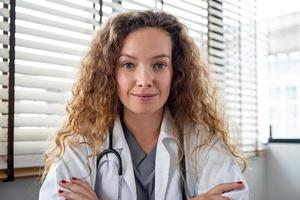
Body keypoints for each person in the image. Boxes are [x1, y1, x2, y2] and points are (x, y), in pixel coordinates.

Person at [39, 10, 249, 200]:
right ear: (110, 73)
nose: (145, 79)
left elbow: (234, 196)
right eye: (128, 65)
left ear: (176, 72)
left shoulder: (201, 140)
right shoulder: (82, 141)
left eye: (159, 65)